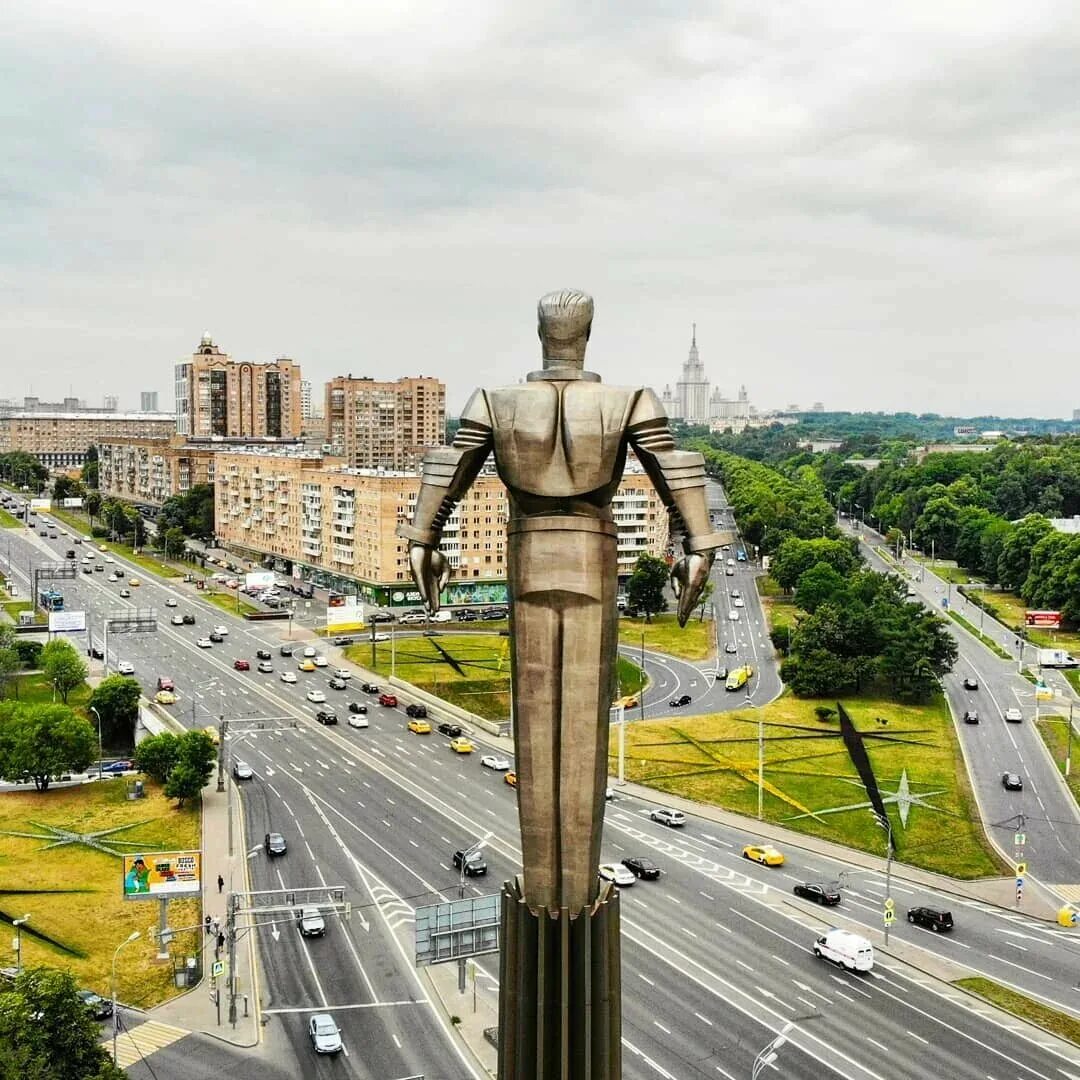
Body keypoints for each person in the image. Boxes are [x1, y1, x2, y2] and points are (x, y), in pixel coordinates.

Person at [399, 290, 724, 915]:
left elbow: (449, 465)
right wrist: (699, 545)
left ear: (541, 332)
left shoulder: (495, 402)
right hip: (591, 561)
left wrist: (423, 539)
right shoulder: (629, 401)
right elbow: (676, 466)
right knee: (583, 732)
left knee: (535, 723)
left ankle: (546, 890)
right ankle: (573, 895)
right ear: (588, 333)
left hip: (527, 559)